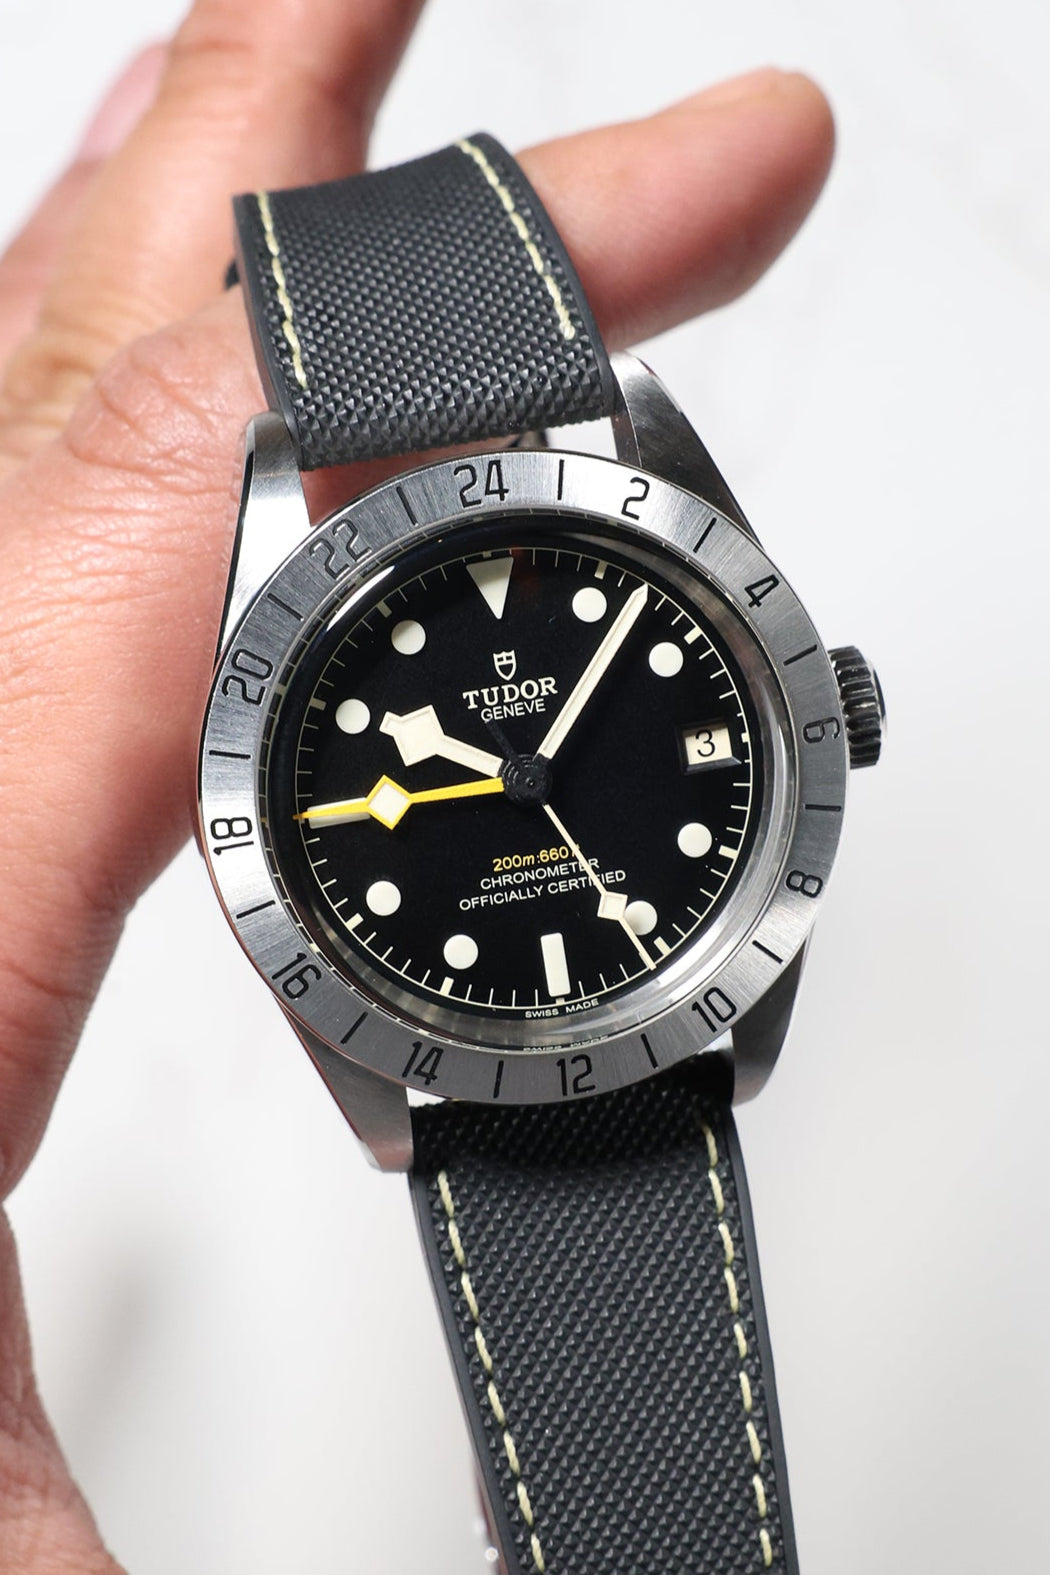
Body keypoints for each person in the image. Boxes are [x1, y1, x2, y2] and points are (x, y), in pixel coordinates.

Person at [0, 2, 833, 1565]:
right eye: (497, 764)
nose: (522, 770)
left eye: (528, 755)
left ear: (815, 712)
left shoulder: (629, 441)